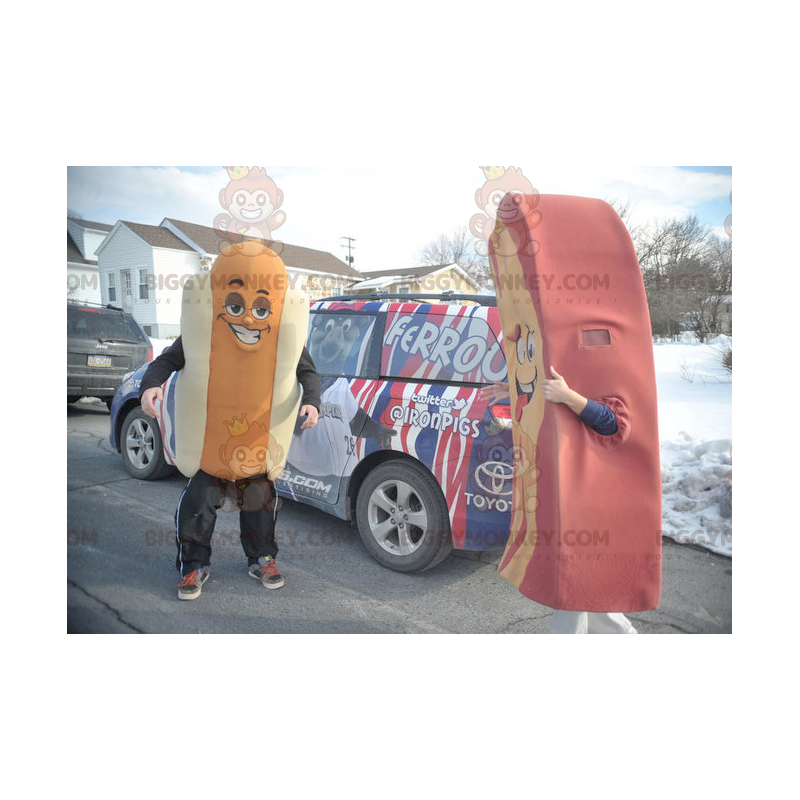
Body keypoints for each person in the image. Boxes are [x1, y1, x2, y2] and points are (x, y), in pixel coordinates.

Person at [140, 337, 321, 600]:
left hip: (254, 441)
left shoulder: (274, 329)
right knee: (197, 500)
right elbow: (167, 359)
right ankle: (194, 566)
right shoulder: (211, 324)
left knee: (260, 497)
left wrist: (313, 401)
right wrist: (150, 385)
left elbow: (306, 369)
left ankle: (261, 559)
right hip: (213, 440)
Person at [480, 366, 637, 634]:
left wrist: (568, 396)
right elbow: (551, 395)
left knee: (574, 577)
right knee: (580, 580)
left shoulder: (605, 369)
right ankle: (622, 634)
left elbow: (613, 423)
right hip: (564, 487)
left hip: (590, 492)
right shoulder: (567, 368)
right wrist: (514, 390)